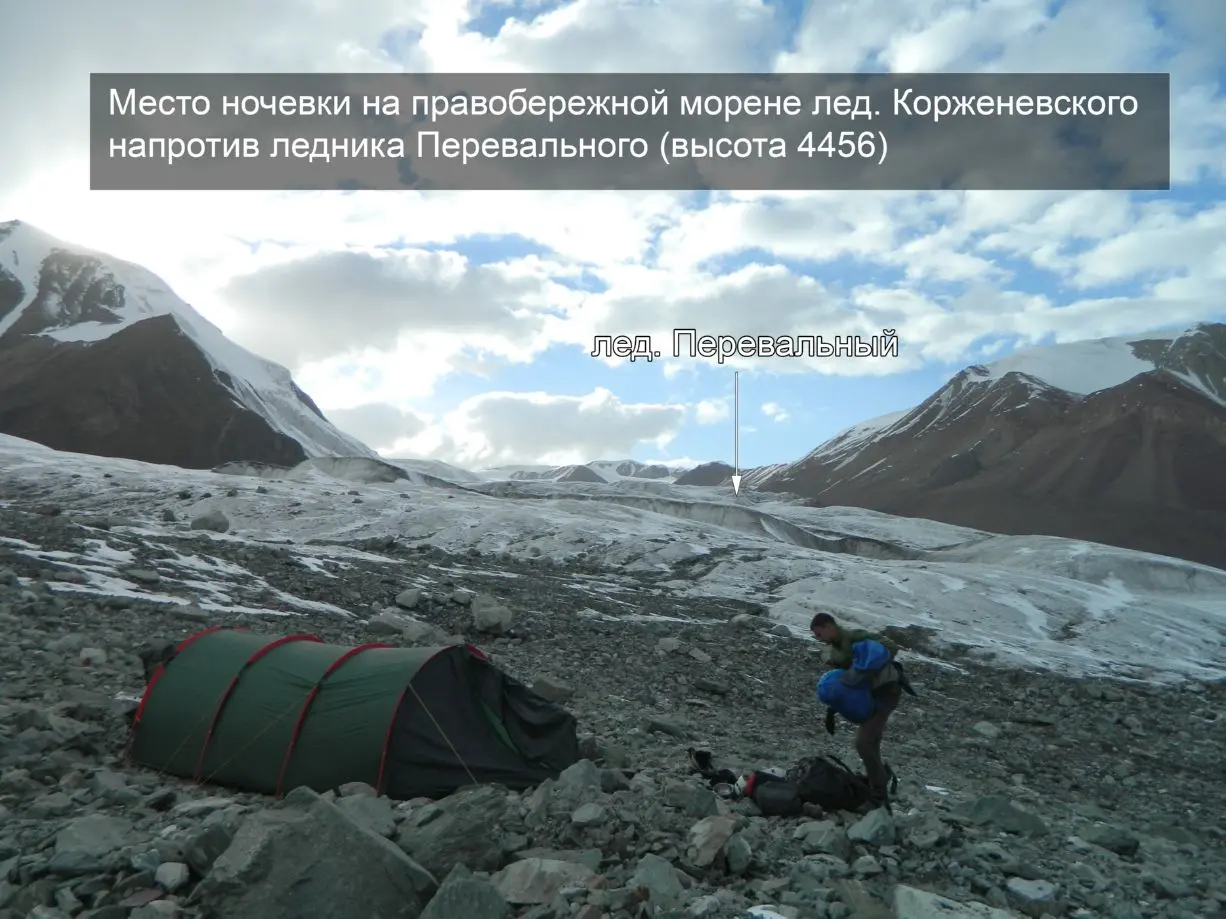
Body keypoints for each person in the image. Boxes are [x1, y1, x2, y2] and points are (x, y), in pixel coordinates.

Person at [810, 611, 912, 802]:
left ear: (829, 626)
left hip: (886, 691)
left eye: (819, 634)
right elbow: (844, 684)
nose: (819, 639)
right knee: (872, 741)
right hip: (869, 696)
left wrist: (870, 665)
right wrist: (832, 710)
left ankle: (878, 792)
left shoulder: (854, 637)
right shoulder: (835, 650)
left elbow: (891, 646)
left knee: (862, 743)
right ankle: (880, 779)